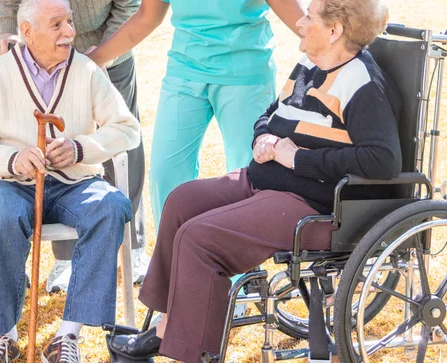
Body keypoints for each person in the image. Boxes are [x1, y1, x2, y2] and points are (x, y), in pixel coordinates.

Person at [108, 0, 401, 362]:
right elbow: (271, 113)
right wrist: (263, 136)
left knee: (199, 238)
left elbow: (383, 159)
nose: (301, 23)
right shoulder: (312, 62)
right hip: (266, 181)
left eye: (309, 16)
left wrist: (299, 158)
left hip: (308, 203)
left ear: (334, 30)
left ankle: (190, 351)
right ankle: (167, 324)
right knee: (181, 201)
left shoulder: (361, 83)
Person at [0, 0, 140, 361]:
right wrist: (12, 158)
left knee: (111, 206)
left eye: (69, 21)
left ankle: (67, 336)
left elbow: (126, 129)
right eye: (56, 25)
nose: (70, 32)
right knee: (1, 215)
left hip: (75, 183)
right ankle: (2, 337)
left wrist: (80, 148)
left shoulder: (86, 70)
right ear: (27, 32)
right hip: (11, 183)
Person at [88, 0, 305, 230]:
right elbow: (147, 16)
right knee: (166, 174)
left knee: (248, 175)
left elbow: (292, 11)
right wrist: (93, 61)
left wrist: (332, 47)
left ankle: (243, 263)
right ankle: (173, 257)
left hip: (244, 69)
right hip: (185, 69)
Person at [0, 0, 150, 290]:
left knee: (123, 147)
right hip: (43, 52)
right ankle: (65, 258)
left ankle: (134, 246)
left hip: (108, 47)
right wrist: (9, 40)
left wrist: (99, 56)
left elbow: (130, 7)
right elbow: (9, 4)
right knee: (52, 148)